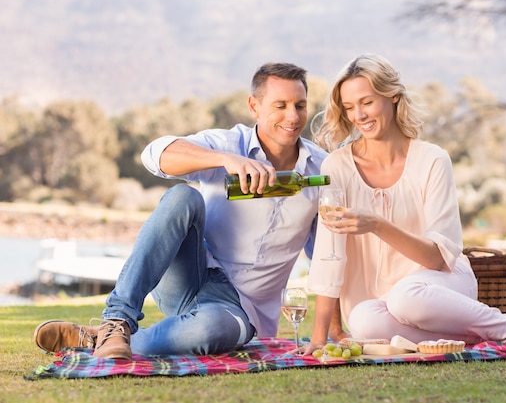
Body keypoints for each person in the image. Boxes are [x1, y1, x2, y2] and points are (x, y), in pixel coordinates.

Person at [34, 62, 331, 359]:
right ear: (254, 106)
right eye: (280, 105)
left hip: (240, 310)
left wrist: (332, 331)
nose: (293, 116)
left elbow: (327, 257)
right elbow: (153, 155)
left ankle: (97, 340)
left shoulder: (320, 169)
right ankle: (117, 321)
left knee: (209, 331)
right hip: (190, 275)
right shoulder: (227, 144)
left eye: (300, 105)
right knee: (182, 197)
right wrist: (224, 159)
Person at [303, 54, 506, 353]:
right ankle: (476, 338)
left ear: (393, 96)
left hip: (440, 285)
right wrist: (320, 339)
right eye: (349, 107)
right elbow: (328, 256)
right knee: (363, 321)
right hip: (382, 303)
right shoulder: (336, 166)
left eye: (367, 102)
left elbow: (437, 258)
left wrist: (377, 225)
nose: (359, 115)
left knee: (407, 295)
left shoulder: (432, 160)